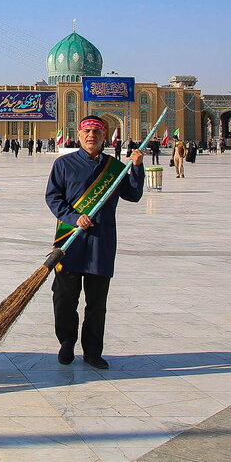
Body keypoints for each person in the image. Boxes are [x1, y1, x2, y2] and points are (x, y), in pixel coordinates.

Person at [45, 115, 144, 369]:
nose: (91, 136)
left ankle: (92, 352)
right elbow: (53, 198)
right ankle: (66, 343)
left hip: (101, 243)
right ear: (78, 135)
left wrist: (137, 167)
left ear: (105, 136)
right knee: (65, 298)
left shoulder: (114, 168)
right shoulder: (64, 164)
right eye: (87, 131)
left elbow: (133, 195)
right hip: (70, 241)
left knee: (97, 302)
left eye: (97, 132)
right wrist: (74, 218)